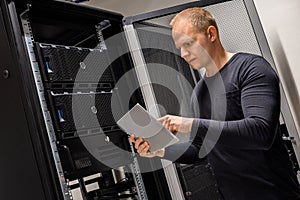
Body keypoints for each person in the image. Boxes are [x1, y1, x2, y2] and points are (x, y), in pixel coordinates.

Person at [129, 7, 300, 200]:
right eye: (180, 48)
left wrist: (187, 124)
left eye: (189, 43)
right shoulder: (199, 92)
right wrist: (160, 150)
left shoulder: (250, 68)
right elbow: (200, 150)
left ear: (211, 33)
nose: (184, 54)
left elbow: (260, 131)